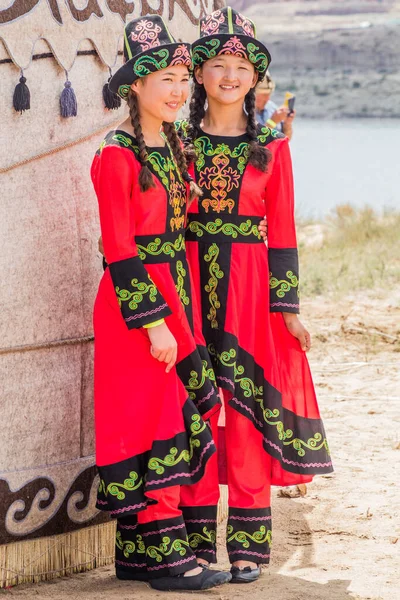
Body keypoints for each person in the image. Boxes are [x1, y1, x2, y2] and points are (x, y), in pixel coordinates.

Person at [176, 6, 333, 584]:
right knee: (192, 408)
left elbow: (284, 229)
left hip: (249, 287)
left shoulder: (272, 144)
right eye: (217, 65)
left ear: (253, 77)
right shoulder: (177, 142)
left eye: (239, 66)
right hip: (188, 281)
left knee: (244, 412)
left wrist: (288, 309)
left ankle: (247, 544)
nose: (228, 76)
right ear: (199, 74)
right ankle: (192, 542)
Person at [91, 15, 231, 591]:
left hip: (176, 294)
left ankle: (136, 555)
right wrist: (154, 325)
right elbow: (120, 251)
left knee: (180, 411)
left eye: (181, 78)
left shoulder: (172, 146)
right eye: (165, 79)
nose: (178, 89)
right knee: (154, 423)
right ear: (135, 87)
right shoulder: (116, 155)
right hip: (136, 306)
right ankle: (168, 559)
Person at [255, 72, 296, 140]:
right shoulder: (242, 112)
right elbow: (255, 142)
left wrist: (287, 124)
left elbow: (287, 139)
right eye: (265, 95)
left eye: (269, 94)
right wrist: (272, 121)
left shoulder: (271, 107)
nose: (268, 99)